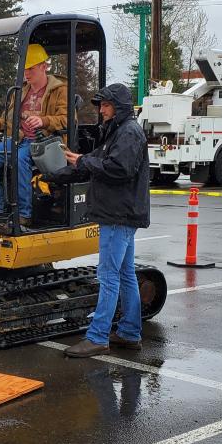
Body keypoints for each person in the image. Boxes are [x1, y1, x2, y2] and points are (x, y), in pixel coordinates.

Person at [47, 83, 150, 357]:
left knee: (108, 275)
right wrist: (57, 174)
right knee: (125, 275)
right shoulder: (118, 132)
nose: (101, 110)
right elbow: (93, 162)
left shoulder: (128, 133)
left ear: (118, 107)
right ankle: (129, 333)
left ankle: (98, 337)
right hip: (122, 214)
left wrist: (82, 161)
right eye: (101, 105)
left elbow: (119, 169)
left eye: (105, 105)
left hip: (118, 215)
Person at [0, 44, 68, 221]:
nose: (26, 73)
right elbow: (6, 121)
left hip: (46, 143)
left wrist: (44, 120)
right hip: (21, 140)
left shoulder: (60, 90)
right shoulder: (20, 92)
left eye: (30, 68)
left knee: (19, 158)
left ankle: (24, 213)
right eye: (24, 69)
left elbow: (68, 119)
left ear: (43, 66)